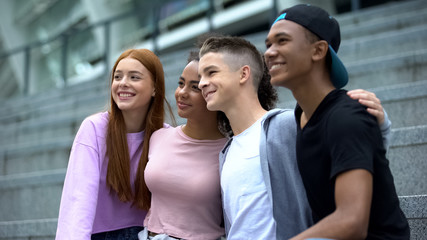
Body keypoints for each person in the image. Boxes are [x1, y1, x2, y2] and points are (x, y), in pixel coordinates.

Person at [198, 36, 393, 239]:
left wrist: (382, 128)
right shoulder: (225, 152)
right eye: (200, 76)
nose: (202, 83)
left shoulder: (286, 124)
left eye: (211, 72)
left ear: (243, 74)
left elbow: (354, 162)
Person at [264, 4, 410, 239]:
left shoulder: (346, 117)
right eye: (268, 44)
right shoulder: (302, 114)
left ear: (319, 50)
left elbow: (352, 222)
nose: (269, 52)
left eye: (282, 41)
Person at [56, 48, 174, 239]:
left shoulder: (165, 136)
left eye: (134, 77)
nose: (123, 84)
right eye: (117, 77)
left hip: (147, 234)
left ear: (155, 88)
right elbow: (79, 197)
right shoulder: (94, 129)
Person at [136, 50, 228, 240]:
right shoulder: (159, 137)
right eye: (180, 84)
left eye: (194, 87)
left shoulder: (230, 151)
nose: (181, 93)